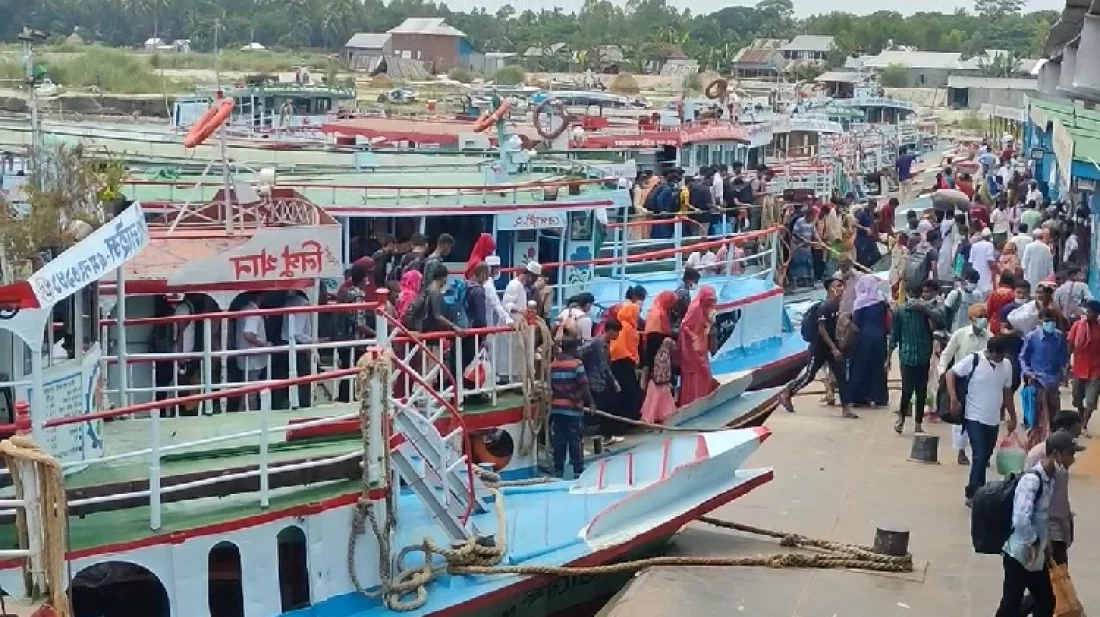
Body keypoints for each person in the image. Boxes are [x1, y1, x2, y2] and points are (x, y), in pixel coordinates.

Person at [993, 432, 1084, 617]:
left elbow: (1041, 516)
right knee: (1011, 604)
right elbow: (1020, 519)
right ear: (1056, 454)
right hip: (1019, 555)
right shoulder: (1032, 481)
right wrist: (1034, 541)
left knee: (1046, 601)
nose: (1072, 460)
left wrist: (1045, 543)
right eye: (1070, 454)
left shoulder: (1050, 478)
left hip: (1036, 557)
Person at [946, 335, 1017, 502]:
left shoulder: (1006, 366)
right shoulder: (974, 360)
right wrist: (953, 399)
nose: (999, 359)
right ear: (989, 352)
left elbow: (1007, 393)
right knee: (979, 454)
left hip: (992, 419)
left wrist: (1012, 416)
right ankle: (975, 494)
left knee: (986, 455)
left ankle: (976, 489)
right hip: (973, 415)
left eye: (1002, 356)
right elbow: (951, 373)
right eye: (996, 356)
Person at [785, 276, 857, 418]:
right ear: (831, 289)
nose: (842, 288)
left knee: (842, 376)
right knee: (809, 375)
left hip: (832, 347)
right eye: (838, 285)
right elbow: (822, 329)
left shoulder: (838, 306)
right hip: (819, 348)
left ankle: (846, 408)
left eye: (842, 285)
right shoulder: (825, 307)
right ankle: (788, 392)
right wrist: (833, 348)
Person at [1023, 411, 1083, 571]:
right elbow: (1029, 508)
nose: (1073, 459)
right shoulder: (1040, 465)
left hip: (1055, 528)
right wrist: (1039, 538)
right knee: (1056, 580)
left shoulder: (1057, 465)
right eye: (1071, 453)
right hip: (1049, 530)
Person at [890, 280, 945, 434]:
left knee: (920, 391)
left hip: (921, 356)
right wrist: (888, 356)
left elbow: (942, 321)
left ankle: (917, 423)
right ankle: (903, 419)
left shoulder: (928, 310)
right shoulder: (900, 312)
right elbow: (894, 335)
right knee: (908, 389)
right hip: (909, 356)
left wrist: (926, 310)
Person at [939, 305, 992, 465]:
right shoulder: (960, 335)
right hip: (960, 380)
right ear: (971, 319)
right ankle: (961, 451)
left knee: (980, 417)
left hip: (981, 383)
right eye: (979, 316)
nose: (983, 319)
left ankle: (980, 451)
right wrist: (942, 373)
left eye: (985, 316)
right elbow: (947, 354)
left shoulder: (989, 337)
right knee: (959, 415)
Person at [1020, 308, 1070, 449]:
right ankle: (1034, 445)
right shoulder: (1032, 337)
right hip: (1038, 380)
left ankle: (1050, 444)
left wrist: (1064, 371)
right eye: (1047, 321)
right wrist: (1028, 372)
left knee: (1054, 416)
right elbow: (1023, 357)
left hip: (1053, 381)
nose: (1050, 324)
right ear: (1041, 322)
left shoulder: (1059, 337)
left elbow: (1063, 357)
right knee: (1037, 416)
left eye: (1052, 321)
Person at [548, 336, 594, 478]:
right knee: (575, 439)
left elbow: (550, 385)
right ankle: (578, 470)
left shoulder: (553, 365)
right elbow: (584, 385)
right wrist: (591, 402)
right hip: (573, 409)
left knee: (559, 440)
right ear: (574, 348)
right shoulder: (577, 365)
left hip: (557, 408)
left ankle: (558, 470)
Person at [847, 274, 890, 407]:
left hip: (863, 338)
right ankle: (879, 397)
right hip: (880, 337)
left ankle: (860, 397)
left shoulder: (860, 302)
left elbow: (856, 322)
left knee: (860, 367)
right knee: (878, 367)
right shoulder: (881, 298)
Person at [580, 320, 622, 444]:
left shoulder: (604, 344)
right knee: (604, 407)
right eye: (617, 332)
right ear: (610, 331)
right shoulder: (596, 343)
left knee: (608, 406)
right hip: (595, 381)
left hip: (601, 380)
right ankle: (604, 436)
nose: (617, 336)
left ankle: (606, 435)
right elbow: (582, 352)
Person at [678, 285, 719, 407]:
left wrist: (710, 322)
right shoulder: (695, 308)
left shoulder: (707, 308)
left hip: (702, 343)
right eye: (709, 300)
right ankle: (691, 402)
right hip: (692, 347)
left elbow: (707, 325)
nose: (711, 303)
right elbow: (684, 325)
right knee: (696, 372)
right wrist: (693, 336)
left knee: (703, 372)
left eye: (713, 300)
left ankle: (702, 398)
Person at [498, 262, 538, 383]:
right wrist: (520, 311)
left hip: (518, 325)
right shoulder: (515, 285)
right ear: (530, 275)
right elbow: (506, 303)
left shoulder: (521, 286)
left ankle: (516, 379)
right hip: (511, 324)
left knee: (516, 353)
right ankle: (508, 379)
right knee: (509, 354)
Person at [609, 300, 643, 427]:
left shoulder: (623, 325)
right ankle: (628, 421)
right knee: (629, 393)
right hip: (625, 362)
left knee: (624, 393)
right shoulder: (627, 327)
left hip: (619, 362)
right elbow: (628, 346)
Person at [1069, 300, 1100, 435]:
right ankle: (1080, 416)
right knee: (1077, 398)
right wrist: (1066, 364)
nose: (1087, 313)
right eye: (1086, 311)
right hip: (1079, 367)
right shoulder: (1077, 326)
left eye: (1091, 311)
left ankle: (1084, 424)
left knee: (1091, 400)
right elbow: (1070, 343)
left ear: (1097, 314)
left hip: (1096, 368)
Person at [642, 291, 676, 388]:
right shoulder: (659, 313)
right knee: (654, 368)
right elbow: (658, 332)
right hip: (655, 341)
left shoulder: (657, 309)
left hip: (652, 340)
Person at [641, 336, 678, 424]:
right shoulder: (668, 342)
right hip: (663, 378)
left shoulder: (654, 344)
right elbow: (675, 350)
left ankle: (652, 417)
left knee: (654, 399)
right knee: (663, 396)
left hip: (656, 378)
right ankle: (664, 415)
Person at [967, 228, 997, 293]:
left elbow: (971, 261)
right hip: (986, 271)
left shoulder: (974, 245)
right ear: (989, 237)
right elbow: (989, 260)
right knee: (985, 290)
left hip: (975, 271)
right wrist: (994, 269)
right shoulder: (990, 245)